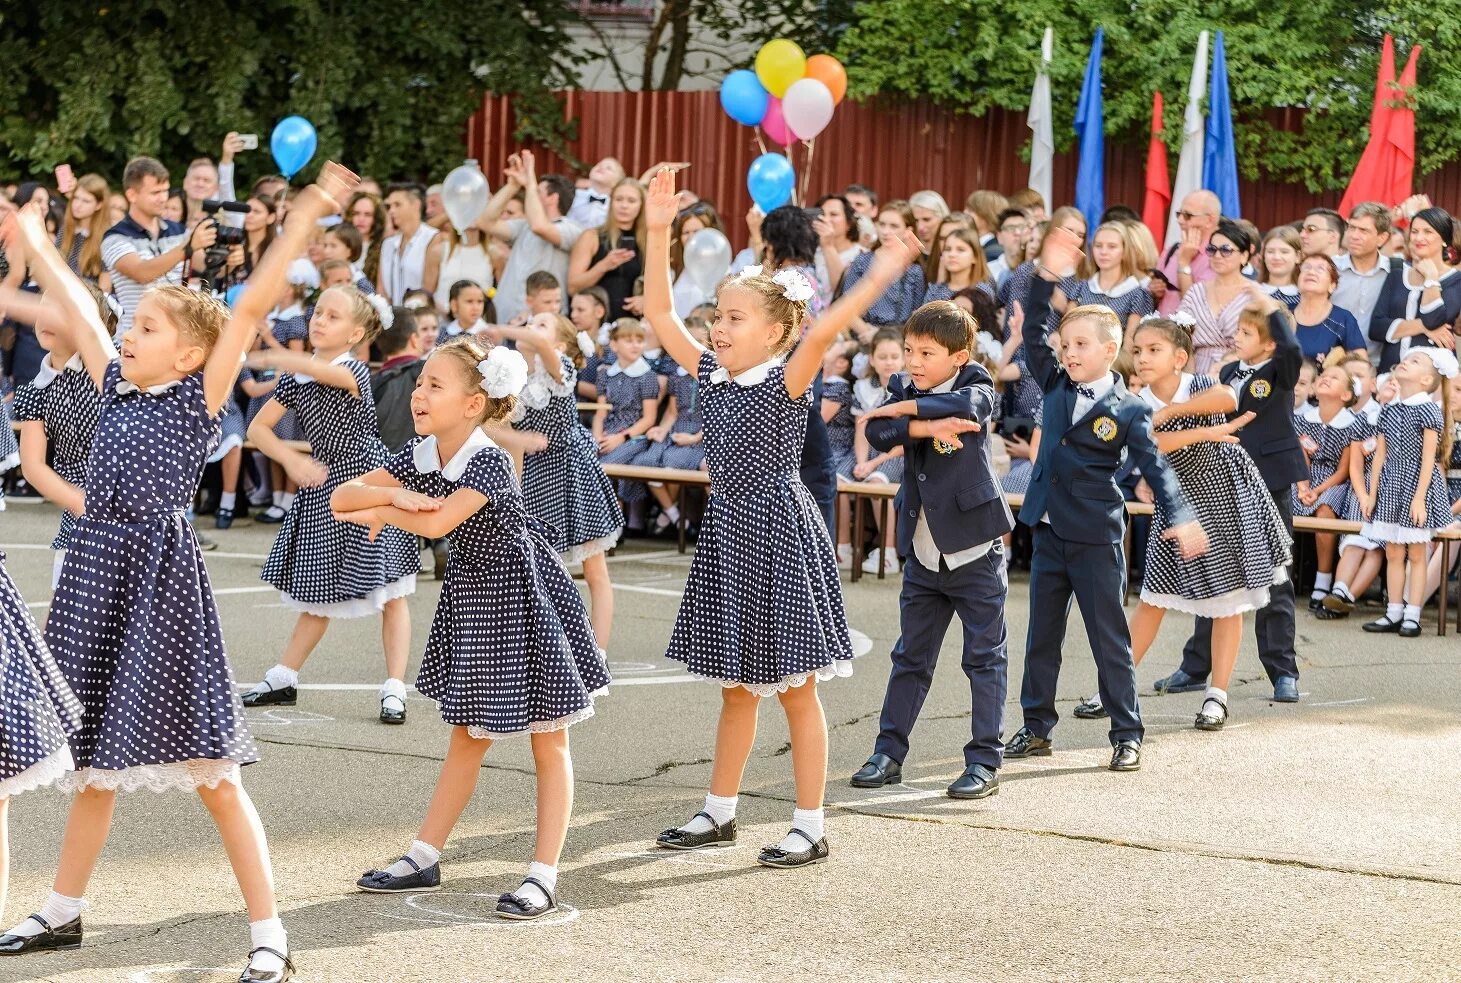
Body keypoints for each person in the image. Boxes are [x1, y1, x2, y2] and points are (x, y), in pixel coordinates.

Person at [0, 165, 356, 983]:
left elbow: (257, 301)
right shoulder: (114, 391)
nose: (130, 334)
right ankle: (62, 908)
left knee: (211, 772)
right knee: (92, 763)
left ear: (192, 352)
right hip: (93, 574)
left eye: (150, 327)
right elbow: (85, 310)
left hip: (158, 585)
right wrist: (42, 244)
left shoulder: (192, 399)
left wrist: (305, 212)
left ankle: (268, 930)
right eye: (134, 328)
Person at [643, 166, 921, 867]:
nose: (718, 326)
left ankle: (809, 821)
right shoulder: (709, 372)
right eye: (716, 316)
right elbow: (656, 313)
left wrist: (883, 267)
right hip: (729, 528)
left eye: (734, 318)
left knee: (795, 686)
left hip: (777, 527)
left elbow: (826, 325)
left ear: (774, 331)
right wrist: (654, 231)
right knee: (736, 685)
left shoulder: (785, 377)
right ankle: (719, 810)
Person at [334, 338, 608, 922]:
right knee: (467, 734)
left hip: (524, 598)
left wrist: (384, 510)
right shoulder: (424, 452)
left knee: (548, 739)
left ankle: (542, 874)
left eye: (435, 385)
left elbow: (440, 518)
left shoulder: (485, 459)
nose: (419, 393)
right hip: (476, 602)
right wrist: (389, 497)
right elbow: (340, 497)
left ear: (474, 403)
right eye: (420, 382)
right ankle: (424, 856)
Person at [1005, 226, 1206, 772]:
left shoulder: (1130, 409)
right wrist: (1046, 275)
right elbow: (1032, 332)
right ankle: (1036, 726)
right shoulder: (1052, 383)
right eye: (1066, 346)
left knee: (1108, 638)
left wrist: (1181, 516)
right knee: (1041, 637)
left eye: (1081, 346)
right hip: (1049, 530)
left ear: (1111, 350)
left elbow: (1156, 469)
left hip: (1095, 535)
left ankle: (1126, 731)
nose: (1069, 353)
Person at [1076, 312, 1290, 731]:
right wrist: (1203, 433)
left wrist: (1173, 413)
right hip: (1177, 505)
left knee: (1229, 602)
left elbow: (1228, 398)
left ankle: (1217, 695)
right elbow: (1150, 445)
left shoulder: (1198, 383)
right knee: (1153, 599)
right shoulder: (1132, 401)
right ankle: (1114, 688)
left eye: (1153, 350)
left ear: (1179, 357)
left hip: (1226, 493)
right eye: (1137, 351)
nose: (1142, 358)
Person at [847, 300, 1013, 796]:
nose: (913, 363)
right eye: (909, 351)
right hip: (921, 549)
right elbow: (876, 428)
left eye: (927, 353)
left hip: (973, 549)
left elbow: (966, 410)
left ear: (959, 356)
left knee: (984, 658)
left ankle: (984, 761)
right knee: (910, 657)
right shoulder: (901, 385)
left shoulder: (977, 383)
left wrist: (905, 411)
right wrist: (918, 423)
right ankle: (887, 752)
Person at [242, 287, 421, 724]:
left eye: (333, 317)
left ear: (356, 333)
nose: (319, 321)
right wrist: (291, 459)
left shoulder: (353, 371)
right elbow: (258, 429)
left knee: (391, 591)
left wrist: (279, 357)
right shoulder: (296, 377)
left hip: (369, 481)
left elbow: (323, 375)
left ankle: (395, 687)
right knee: (317, 590)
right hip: (324, 485)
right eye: (318, 312)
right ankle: (284, 676)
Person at [1153, 289, 1306, 704]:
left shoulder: (1281, 369)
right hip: (1221, 482)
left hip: (1268, 479)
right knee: (1214, 571)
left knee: (1271, 572)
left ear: (1270, 341)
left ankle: (1282, 669)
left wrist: (1272, 309)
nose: (1236, 337)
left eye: (1246, 331)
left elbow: (1292, 348)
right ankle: (1196, 665)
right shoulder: (1228, 370)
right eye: (1236, 330)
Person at [503, 314, 622, 644]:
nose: (530, 328)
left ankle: (598, 651)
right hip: (536, 478)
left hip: (572, 472)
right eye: (529, 321)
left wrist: (499, 328)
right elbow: (493, 428)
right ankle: (550, 650)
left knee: (594, 570)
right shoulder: (514, 381)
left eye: (541, 325)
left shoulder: (563, 368)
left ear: (558, 345)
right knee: (539, 571)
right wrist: (518, 441)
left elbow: (540, 344)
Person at [1355, 347, 1456, 636]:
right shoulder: (1390, 409)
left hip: (1417, 486)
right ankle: (1394, 611)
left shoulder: (1427, 410)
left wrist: (1421, 497)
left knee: (1416, 553)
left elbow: (1428, 460)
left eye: (1415, 361)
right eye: (1406, 358)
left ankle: (1413, 614)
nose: (1405, 362)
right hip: (1391, 485)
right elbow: (1380, 458)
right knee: (1394, 552)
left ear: (1426, 380)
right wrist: (1372, 493)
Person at [102, 156, 216, 336]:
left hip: (175, 334)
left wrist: (227, 256)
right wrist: (187, 247)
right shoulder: (115, 237)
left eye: (165, 191)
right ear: (132, 195)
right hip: (135, 337)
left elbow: (204, 264)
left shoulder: (178, 231)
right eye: (155, 193)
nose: (163, 198)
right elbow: (142, 273)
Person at [479, 151, 582, 324]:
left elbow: (539, 227)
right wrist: (512, 186)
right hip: (504, 316)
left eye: (537, 190)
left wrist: (530, 182)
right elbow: (485, 222)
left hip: (541, 322)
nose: (530, 191)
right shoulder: (524, 226)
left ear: (553, 198)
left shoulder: (572, 229)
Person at [1294, 362, 1365, 610]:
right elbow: (1300, 458)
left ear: (1346, 395)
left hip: (1334, 481)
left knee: (1325, 509)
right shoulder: (1303, 419)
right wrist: (1303, 487)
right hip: (1304, 476)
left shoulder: (1352, 423)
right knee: (1280, 501)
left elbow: (1344, 470)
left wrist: (1318, 490)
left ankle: (1322, 580)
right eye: (1323, 375)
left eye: (1334, 378)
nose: (1325, 378)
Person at [1369, 206, 1461, 370]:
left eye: (1428, 232)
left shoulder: (1456, 281)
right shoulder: (1396, 276)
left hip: (1434, 376)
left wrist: (1431, 278)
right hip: (1390, 374)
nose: (1419, 237)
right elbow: (1376, 328)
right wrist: (1423, 328)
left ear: (1444, 239)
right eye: (1415, 231)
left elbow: (1433, 319)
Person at [1177, 219, 1256, 375]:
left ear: (1244, 256)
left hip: (1242, 372)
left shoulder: (1254, 293)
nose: (1218, 255)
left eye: (1226, 250)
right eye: (1212, 249)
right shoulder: (1196, 291)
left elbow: (1263, 341)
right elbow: (1182, 338)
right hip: (1196, 371)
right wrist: (1189, 380)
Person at [839, 200, 926, 335]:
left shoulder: (914, 271)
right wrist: (868, 334)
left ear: (908, 230)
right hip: (863, 334)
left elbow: (917, 314)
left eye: (894, 226)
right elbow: (846, 305)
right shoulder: (862, 261)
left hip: (898, 338)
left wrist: (883, 336)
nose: (886, 231)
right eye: (882, 224)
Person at [1062, 221, 1155, 340]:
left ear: (1124, 251)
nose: (1103, 252)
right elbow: (1067, 333)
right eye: (1098, 245)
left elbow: (1130, 346)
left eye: (1112, 246)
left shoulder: (1138, 294)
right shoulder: (1081, 287)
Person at [568, 178, 645, 320]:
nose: (624, 206)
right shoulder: (592, 237)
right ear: (611, 202)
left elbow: (663, 287)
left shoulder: (648, 242)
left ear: (641, 205)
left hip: (632, 330)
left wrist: (646, 300)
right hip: (596, 325)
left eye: (631, 201)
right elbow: (572, 287)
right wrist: (603, 266)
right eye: (619, 199)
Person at [594, 318, 661, 473]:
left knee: (604, 467)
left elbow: (649, 419)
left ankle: (618, 498)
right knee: (586, 460)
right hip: (606, 433)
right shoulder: (606, 373)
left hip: (633, 437)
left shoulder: (647, 376)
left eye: (639, 340)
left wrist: (620, 438)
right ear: (614, 344)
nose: (635, 345)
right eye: (629, 341)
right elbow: (600, 413)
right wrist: (597, 438)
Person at [1332, 202, 1393, 361]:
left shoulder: (1396, 273)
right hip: (1331, 364)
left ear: (1382, 238)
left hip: (1379, 366)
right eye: (1351, 228)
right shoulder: (1329, 268)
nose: (1354, 235)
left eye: (1363, 230)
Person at [1155, 190, 1221, 314]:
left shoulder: (1219, 256)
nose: (1180, 220)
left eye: (1187, 215)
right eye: (1179, 214)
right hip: (1161, 330)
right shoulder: (1173, 249)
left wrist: (1184, 264)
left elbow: (1196, 308)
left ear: (1209, 221)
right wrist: (1154, 291)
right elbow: (1153, 295)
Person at [370, 307, 426, 455]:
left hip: (381, 471)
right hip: (426, 470)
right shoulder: (431, 376)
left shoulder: (368, 384)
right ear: (414, 339)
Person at [1292, 255, 1366, 362]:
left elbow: (1360, 366)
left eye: (1320, 269)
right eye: (1306, 268)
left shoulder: (1343, 319)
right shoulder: (1283, 315)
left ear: (1332, 285)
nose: (1311, 272)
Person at [378, 183, 441, 304]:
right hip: (392, 317)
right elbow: (381, 290)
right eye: (389, 206)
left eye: (397, 205)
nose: (391, 211)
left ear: (416, 205)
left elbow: (428, 289)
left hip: (420, 315)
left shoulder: (432, 238)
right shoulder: (388, 244)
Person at [670, 200, 725, 317]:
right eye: (686, 232)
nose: (691, 237)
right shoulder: (674, 271)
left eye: (696, 231)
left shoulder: (726, 271)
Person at [57, 174, 111, 290]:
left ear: (99, 205)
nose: (77, 205)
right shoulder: (66, 230)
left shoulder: (106, 237)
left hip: (91, 299)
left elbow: (105, 287)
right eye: (76, 198)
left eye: (86, 201)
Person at [812, 194, 865, 306]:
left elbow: (842, 291)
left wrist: (828, 247)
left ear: (849, 223)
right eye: (822, 214)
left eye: (834, 214)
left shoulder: (861, 256)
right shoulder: (811, 251)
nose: (825, 219)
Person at [566, 156, 626, 230]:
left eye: (609, 168)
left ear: (616, 183)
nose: (602, 167)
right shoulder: (574, 195)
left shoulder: (615, 205)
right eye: (599, 165)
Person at [1258, 226, 1302, 309]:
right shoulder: (1252, 293)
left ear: (1298, 256)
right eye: (1270, 251)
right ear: (1263, 255)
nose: (1276, 257)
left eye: (1284, 252)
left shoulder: (1306, 297)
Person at [347, 191, 385, 284]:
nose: (361, 219)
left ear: (376, 218)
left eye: (367, 215)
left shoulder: (383, 248)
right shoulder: (340, 244)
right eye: (356, 213)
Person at [989, 208, 1030, 287]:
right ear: (999, 237)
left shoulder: (1037, 267)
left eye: (1022, 227)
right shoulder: (989, 271)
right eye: (1011, 228)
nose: (1017, 233)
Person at [966, 189, 1008, 262]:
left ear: (986, 215)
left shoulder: (993, 253)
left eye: (971, 210)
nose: (965, 213)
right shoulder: (978, 245)